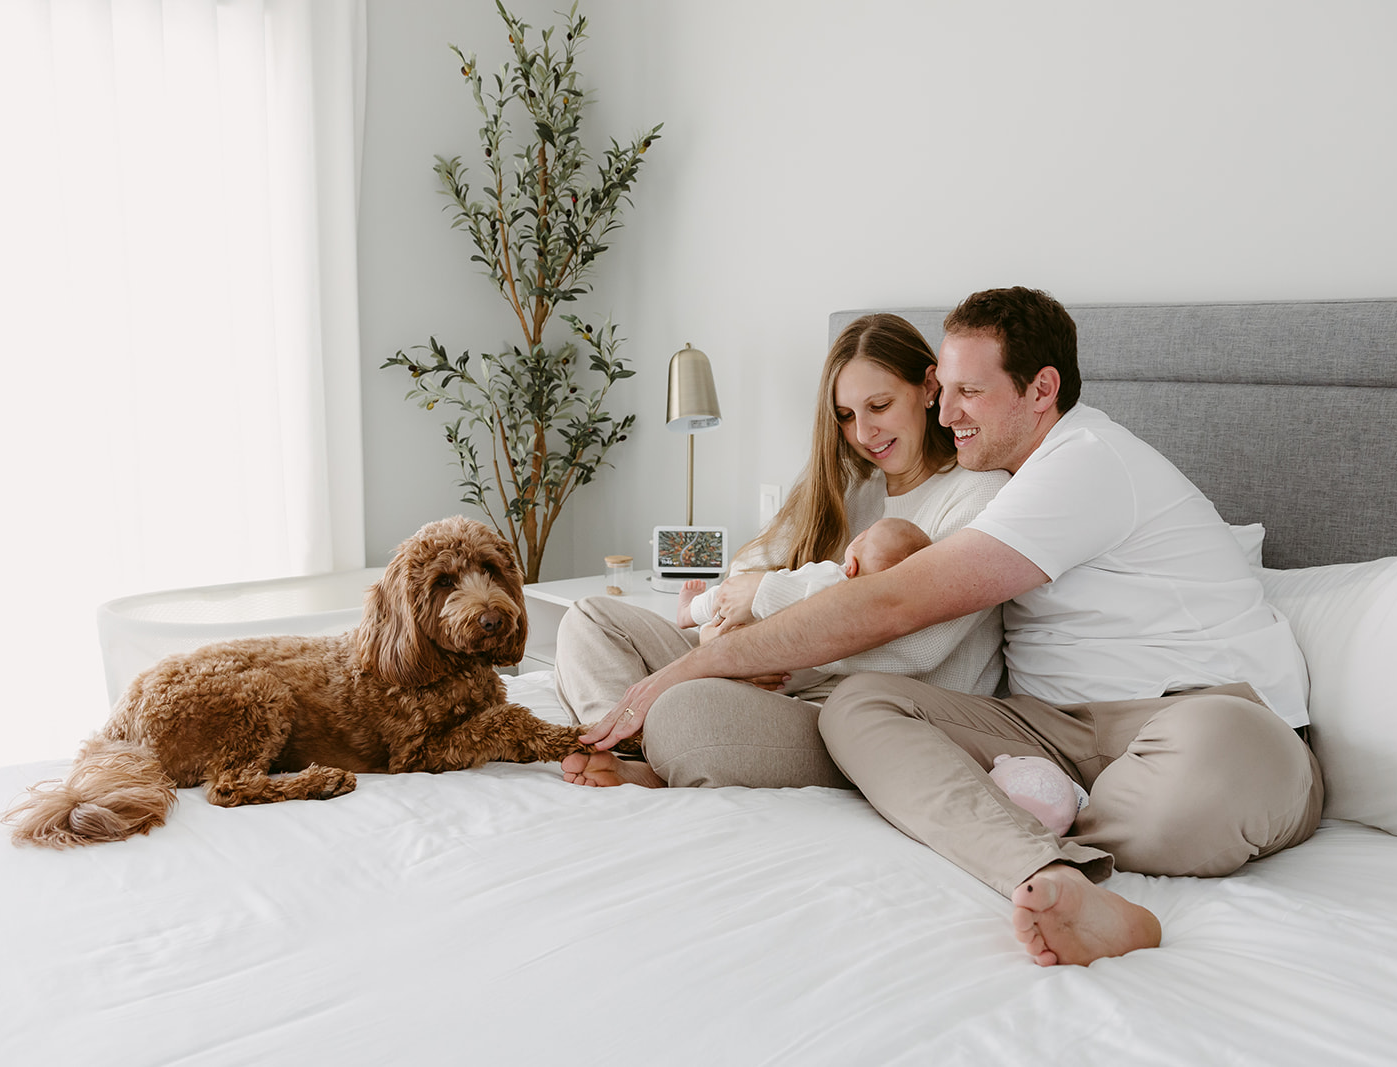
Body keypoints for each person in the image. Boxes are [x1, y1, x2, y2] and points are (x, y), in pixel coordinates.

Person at [583, 287, 1322, 968]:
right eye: (945, 389)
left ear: (1041, 390)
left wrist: (689, 668)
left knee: (1200, 783)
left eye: (968, 392)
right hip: (1051, 733)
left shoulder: (1082, 463)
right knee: (859, 703)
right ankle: (1048, 867)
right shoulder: (1008, 486)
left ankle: (1045, 834)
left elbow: (895, 606)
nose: (946, 413)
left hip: (1198, 718)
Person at [553, 313, 1010, 789]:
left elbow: (917, 647)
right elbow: (749, 567)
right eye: (847, 416)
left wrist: (753, 651)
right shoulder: (852, 484)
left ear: (929, 386)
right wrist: (719, 639)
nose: (864, 433)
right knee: (588, 619)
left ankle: (647, 750)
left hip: (863, 718)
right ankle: (621, 750)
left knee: (685, 716)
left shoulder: (979, 493)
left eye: (880, 405)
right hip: (781, 679)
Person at [677, 517, 933, 695]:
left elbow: (776, 594)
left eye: (863, 537)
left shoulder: (833, 576)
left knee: (723, 592)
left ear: (852, 564)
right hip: (782, 682)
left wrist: (761, 589)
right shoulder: (868, 627)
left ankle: (688, 612)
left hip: (744, 638)